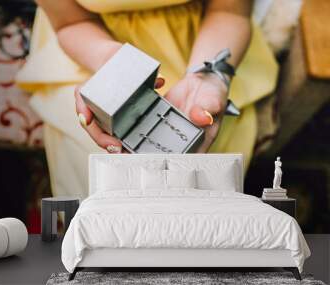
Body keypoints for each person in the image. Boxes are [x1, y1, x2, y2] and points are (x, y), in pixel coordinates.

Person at [16, 0, 278, 198]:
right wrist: (112, 64)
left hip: (204, 43)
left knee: (200, 198)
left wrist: (209, 76)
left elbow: (229, 10)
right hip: (92, 48)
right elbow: (70, 23)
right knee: (102, 198)